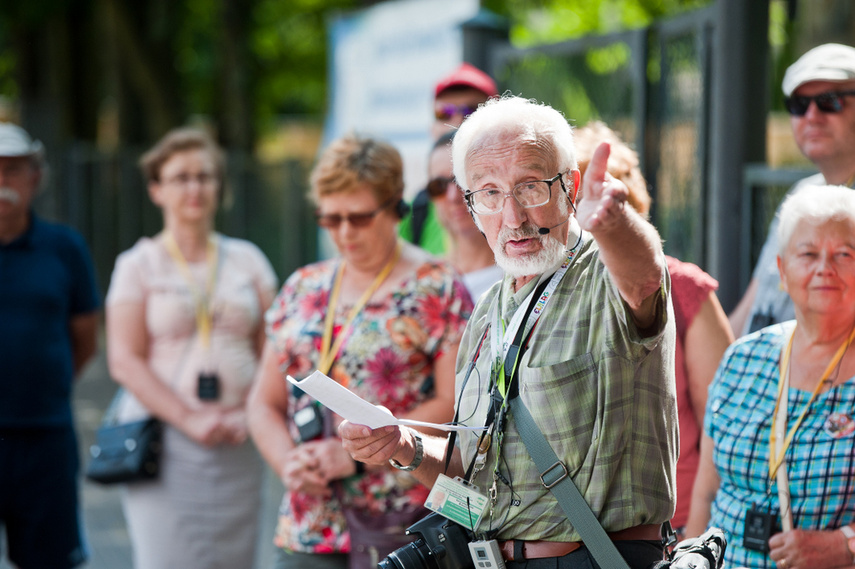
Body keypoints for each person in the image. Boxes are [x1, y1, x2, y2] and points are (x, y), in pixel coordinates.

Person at [340, 96, 679, 569]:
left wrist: (615, 222)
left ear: (570, 187)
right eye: (491, 194)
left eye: (530, 187)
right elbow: (473, 494)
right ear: (471, 206)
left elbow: (645, 279)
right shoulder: (485, 313)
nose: (513, 217)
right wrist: (404, 447)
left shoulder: (603, 273)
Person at [246, 133, 473, 569]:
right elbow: (263, 401)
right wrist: (289, 463)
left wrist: (358, 457)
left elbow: (452, 405)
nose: (344, 233)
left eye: (359, 217)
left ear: (394, 207)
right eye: (330, 219)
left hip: (404, 523)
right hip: (310, 523)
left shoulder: (438, 285)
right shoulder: (303, 286)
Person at [105, 127, 277, 569]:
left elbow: (276, 351)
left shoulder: (248, 259)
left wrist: (251, 413)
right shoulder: (137, 265)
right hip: (164, 442)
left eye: (205, 176)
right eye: (181, 177)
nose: (195, 187)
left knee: (235, 559)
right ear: (156, 189)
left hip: (239, 439)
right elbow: (124, 360)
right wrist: (190, 418)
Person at [574, 121, 734, 535]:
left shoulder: (682, 288)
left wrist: (694, 537)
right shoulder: (548, 293)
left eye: (615, 195)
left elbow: (723, 423)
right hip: (573, 532)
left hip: (671, 524)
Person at [686, 185, 855, 569]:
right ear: (781, 271)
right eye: (808, 254)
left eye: (844, 254)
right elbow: (707, 492)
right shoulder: (742, 358)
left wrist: (844, 546)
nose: (823, 268)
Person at [0, 123, 100, 569]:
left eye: (14, 170)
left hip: (46, 439)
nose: (4, 181)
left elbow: (85, 338)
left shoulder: (65, 248)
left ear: (35, 177)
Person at [730, 43, 855, 337]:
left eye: (830, 101)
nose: (811, 115)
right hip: (764, 371)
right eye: (799, 105)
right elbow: (752, 308)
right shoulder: (801, 195)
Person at [400, 62, 498, 254]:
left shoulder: (522, 200)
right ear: (432, 128)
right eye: (444, 113)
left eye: (473, 110)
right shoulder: (416, 211)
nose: (457, 121)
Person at [426, 131, 501, 300]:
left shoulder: (524, 272)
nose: (453, 196)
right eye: (438, 186)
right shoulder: (423, 279)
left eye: (462, 181)